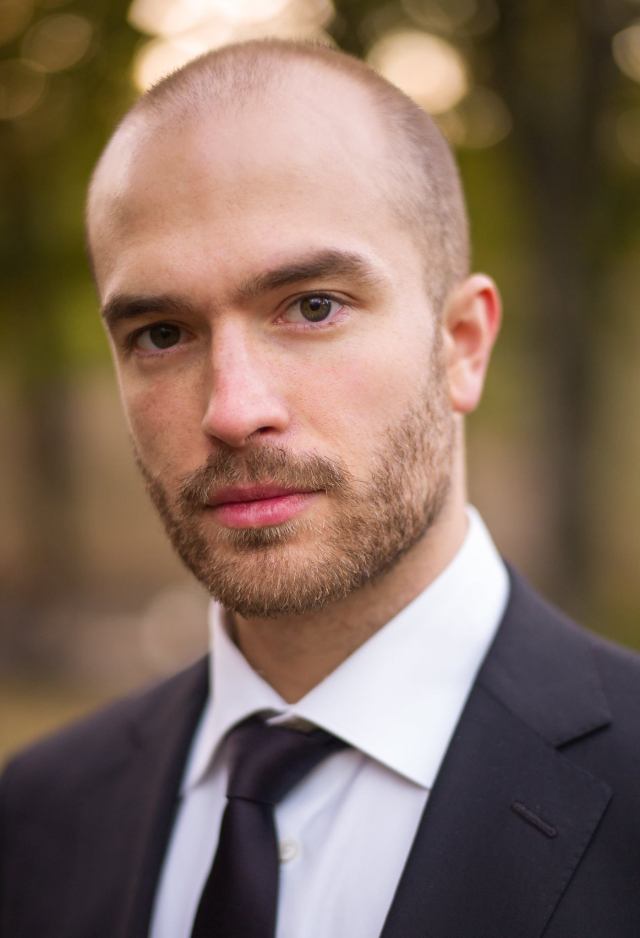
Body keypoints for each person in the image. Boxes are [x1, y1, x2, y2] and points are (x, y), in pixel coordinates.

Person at [1, 38, 639, 938]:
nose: (233, 409)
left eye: (312, 307)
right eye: (160, 333)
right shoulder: (34, 816)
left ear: (462, 344)